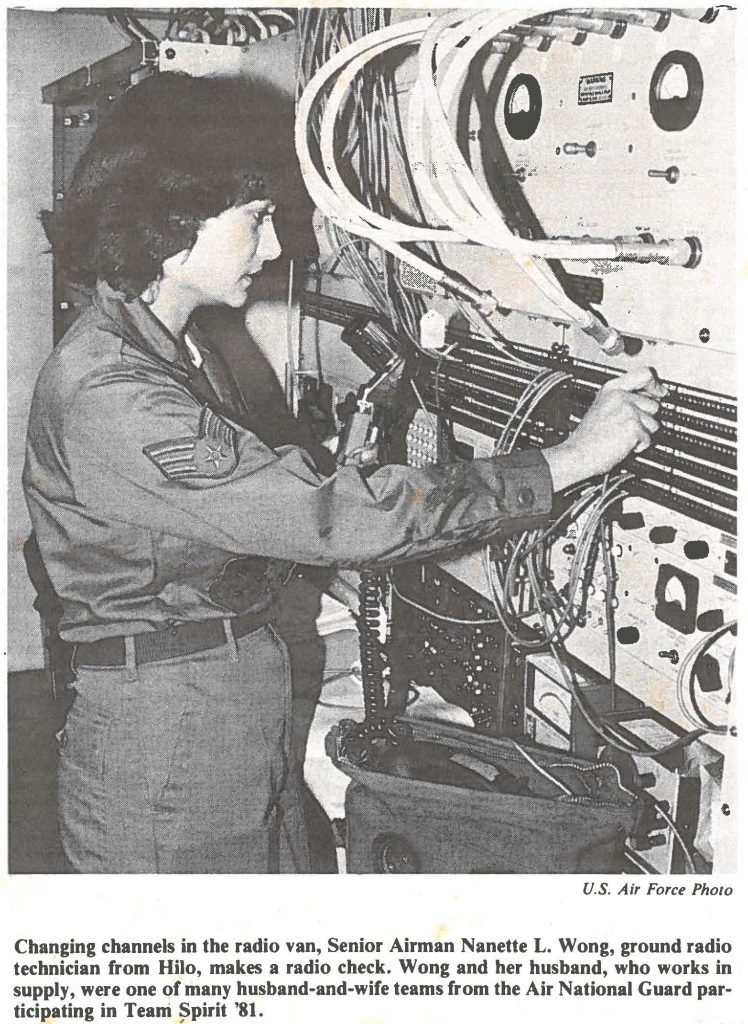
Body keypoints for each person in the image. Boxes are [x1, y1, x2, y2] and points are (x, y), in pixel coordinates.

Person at [24, 72, 667, 874]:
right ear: (172, 220)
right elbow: (331, 519)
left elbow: (245, 499)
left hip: (222, 697)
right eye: (256, 219)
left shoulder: (175, 343)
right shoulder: (112, 392)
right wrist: (570, 460)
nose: (276, 246)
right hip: (171, 728)